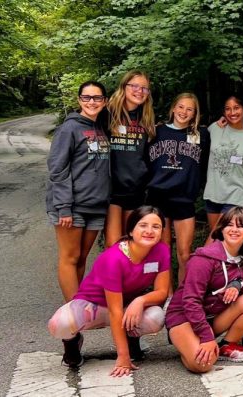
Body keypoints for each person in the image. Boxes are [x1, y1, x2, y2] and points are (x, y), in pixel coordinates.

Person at [47, 206, 170, 376]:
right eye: (143, 225)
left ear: (162, 231)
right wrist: (123, 357)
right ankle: (73, 342)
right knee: (58, 324)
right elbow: (115, 310)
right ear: (131, 230)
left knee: (156, 316)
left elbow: (162, 292)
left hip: (125, 306)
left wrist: (140, 301)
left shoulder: (162, 250)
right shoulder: (114, 258)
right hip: (93, 306)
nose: (149, 231)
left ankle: (131, 338)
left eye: (156, 227)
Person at [165, 207, 243, 372]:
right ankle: (189, 344)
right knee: (202, 364)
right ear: (222, 229)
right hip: (184, 318)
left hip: (212, 317)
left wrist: (239, 284)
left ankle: (226, 346)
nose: (234, 229)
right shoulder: (204, 258)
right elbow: (190, 301)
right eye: (229, 225)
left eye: (240, 226)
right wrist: (206, 338)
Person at [47, 81, 112, 302]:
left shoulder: (100, 127)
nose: (92, 102)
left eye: (97, 98)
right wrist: (64, 206)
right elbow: (58, 168)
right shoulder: (69, 128)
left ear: (104, 101)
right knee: (70, 257)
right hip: (71, 205)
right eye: (86, 97)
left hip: (95, 204)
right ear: (79, 100)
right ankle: (73, 311)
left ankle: (77, 301)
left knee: (82, 257)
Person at [147, 93, 210, 283]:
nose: (184, 112)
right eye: (181, 107)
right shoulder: (156, 131)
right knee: (163, 251)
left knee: (184, 253)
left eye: (189, 109)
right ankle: (166, 295)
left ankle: (182, 296)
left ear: (194, 114)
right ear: (173, 108)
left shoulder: (201, 135)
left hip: (184, 198)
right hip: (158, 197)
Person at [105, 71, 155, 246]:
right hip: (111, 189)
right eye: (134, 86)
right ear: (124, 87)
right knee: (113, 247)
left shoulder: (146, 118)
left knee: (129, 244)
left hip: (136, 189)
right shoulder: (107, 113)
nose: (139, 91)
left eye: (144, 88)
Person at [204, 95, 243, 243]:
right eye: (228, 109)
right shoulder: (215, 128)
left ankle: (199, 262)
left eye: (236, 108)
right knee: (219, 241)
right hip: (214, 192)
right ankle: (223, 266)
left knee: (212, 239)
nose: (232, 112)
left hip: (237, 194)